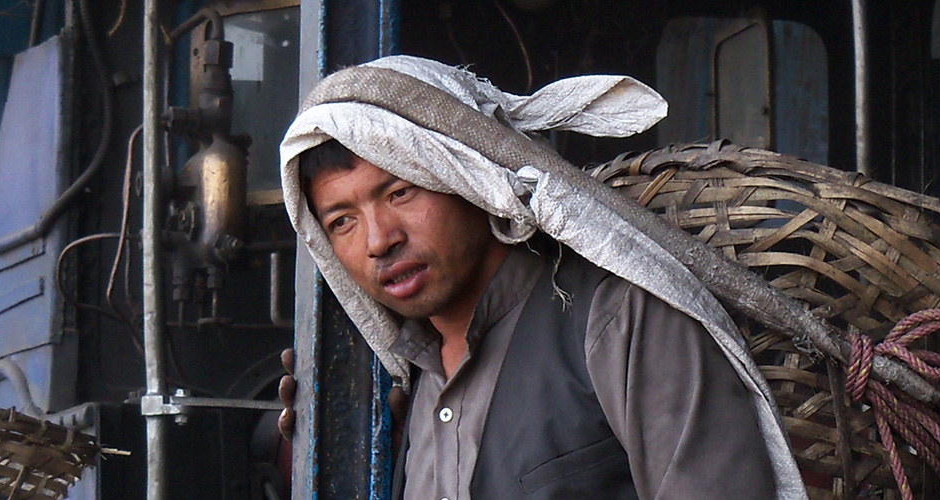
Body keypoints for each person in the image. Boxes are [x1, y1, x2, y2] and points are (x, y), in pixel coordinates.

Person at [276, 56, 805, 500]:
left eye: (400, 193)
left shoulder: (619, 320)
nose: (377, 240)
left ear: (471, 177)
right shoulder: (407, 384)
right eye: (341, 221)